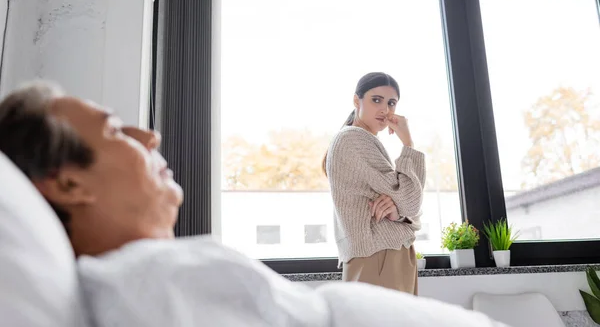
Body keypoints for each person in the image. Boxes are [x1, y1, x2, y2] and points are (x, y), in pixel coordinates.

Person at [0, 81, 506, 327]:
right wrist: (408, 162)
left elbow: (405, 198)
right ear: (67, 184)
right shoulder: (152, 281)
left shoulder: (161, 276)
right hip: (378, 252)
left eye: (394, 103)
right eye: (113, 129)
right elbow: (410, 193)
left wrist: (400, 198)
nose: (149, 135)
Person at [323, 72, 425, 294]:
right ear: (356, 100)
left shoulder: (362, 140)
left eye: (391, 103)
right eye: (376, 100)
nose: (385, 110)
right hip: (380, 257)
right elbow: (411, 202)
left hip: (385, 255)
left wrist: (399, 212)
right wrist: (408, 142)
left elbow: (409, 208)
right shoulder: (353, 138)